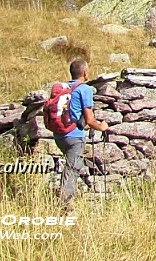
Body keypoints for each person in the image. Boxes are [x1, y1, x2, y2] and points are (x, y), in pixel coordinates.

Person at [55, 58, 109, 205]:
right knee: (72, 168)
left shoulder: (64, 89)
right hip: (74, 136)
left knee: (70, 166)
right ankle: (64, 205)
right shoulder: (84, 89)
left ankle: (64, 197)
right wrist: (102, 127)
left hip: (59, 135)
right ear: (84, 71)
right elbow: (90, 120)